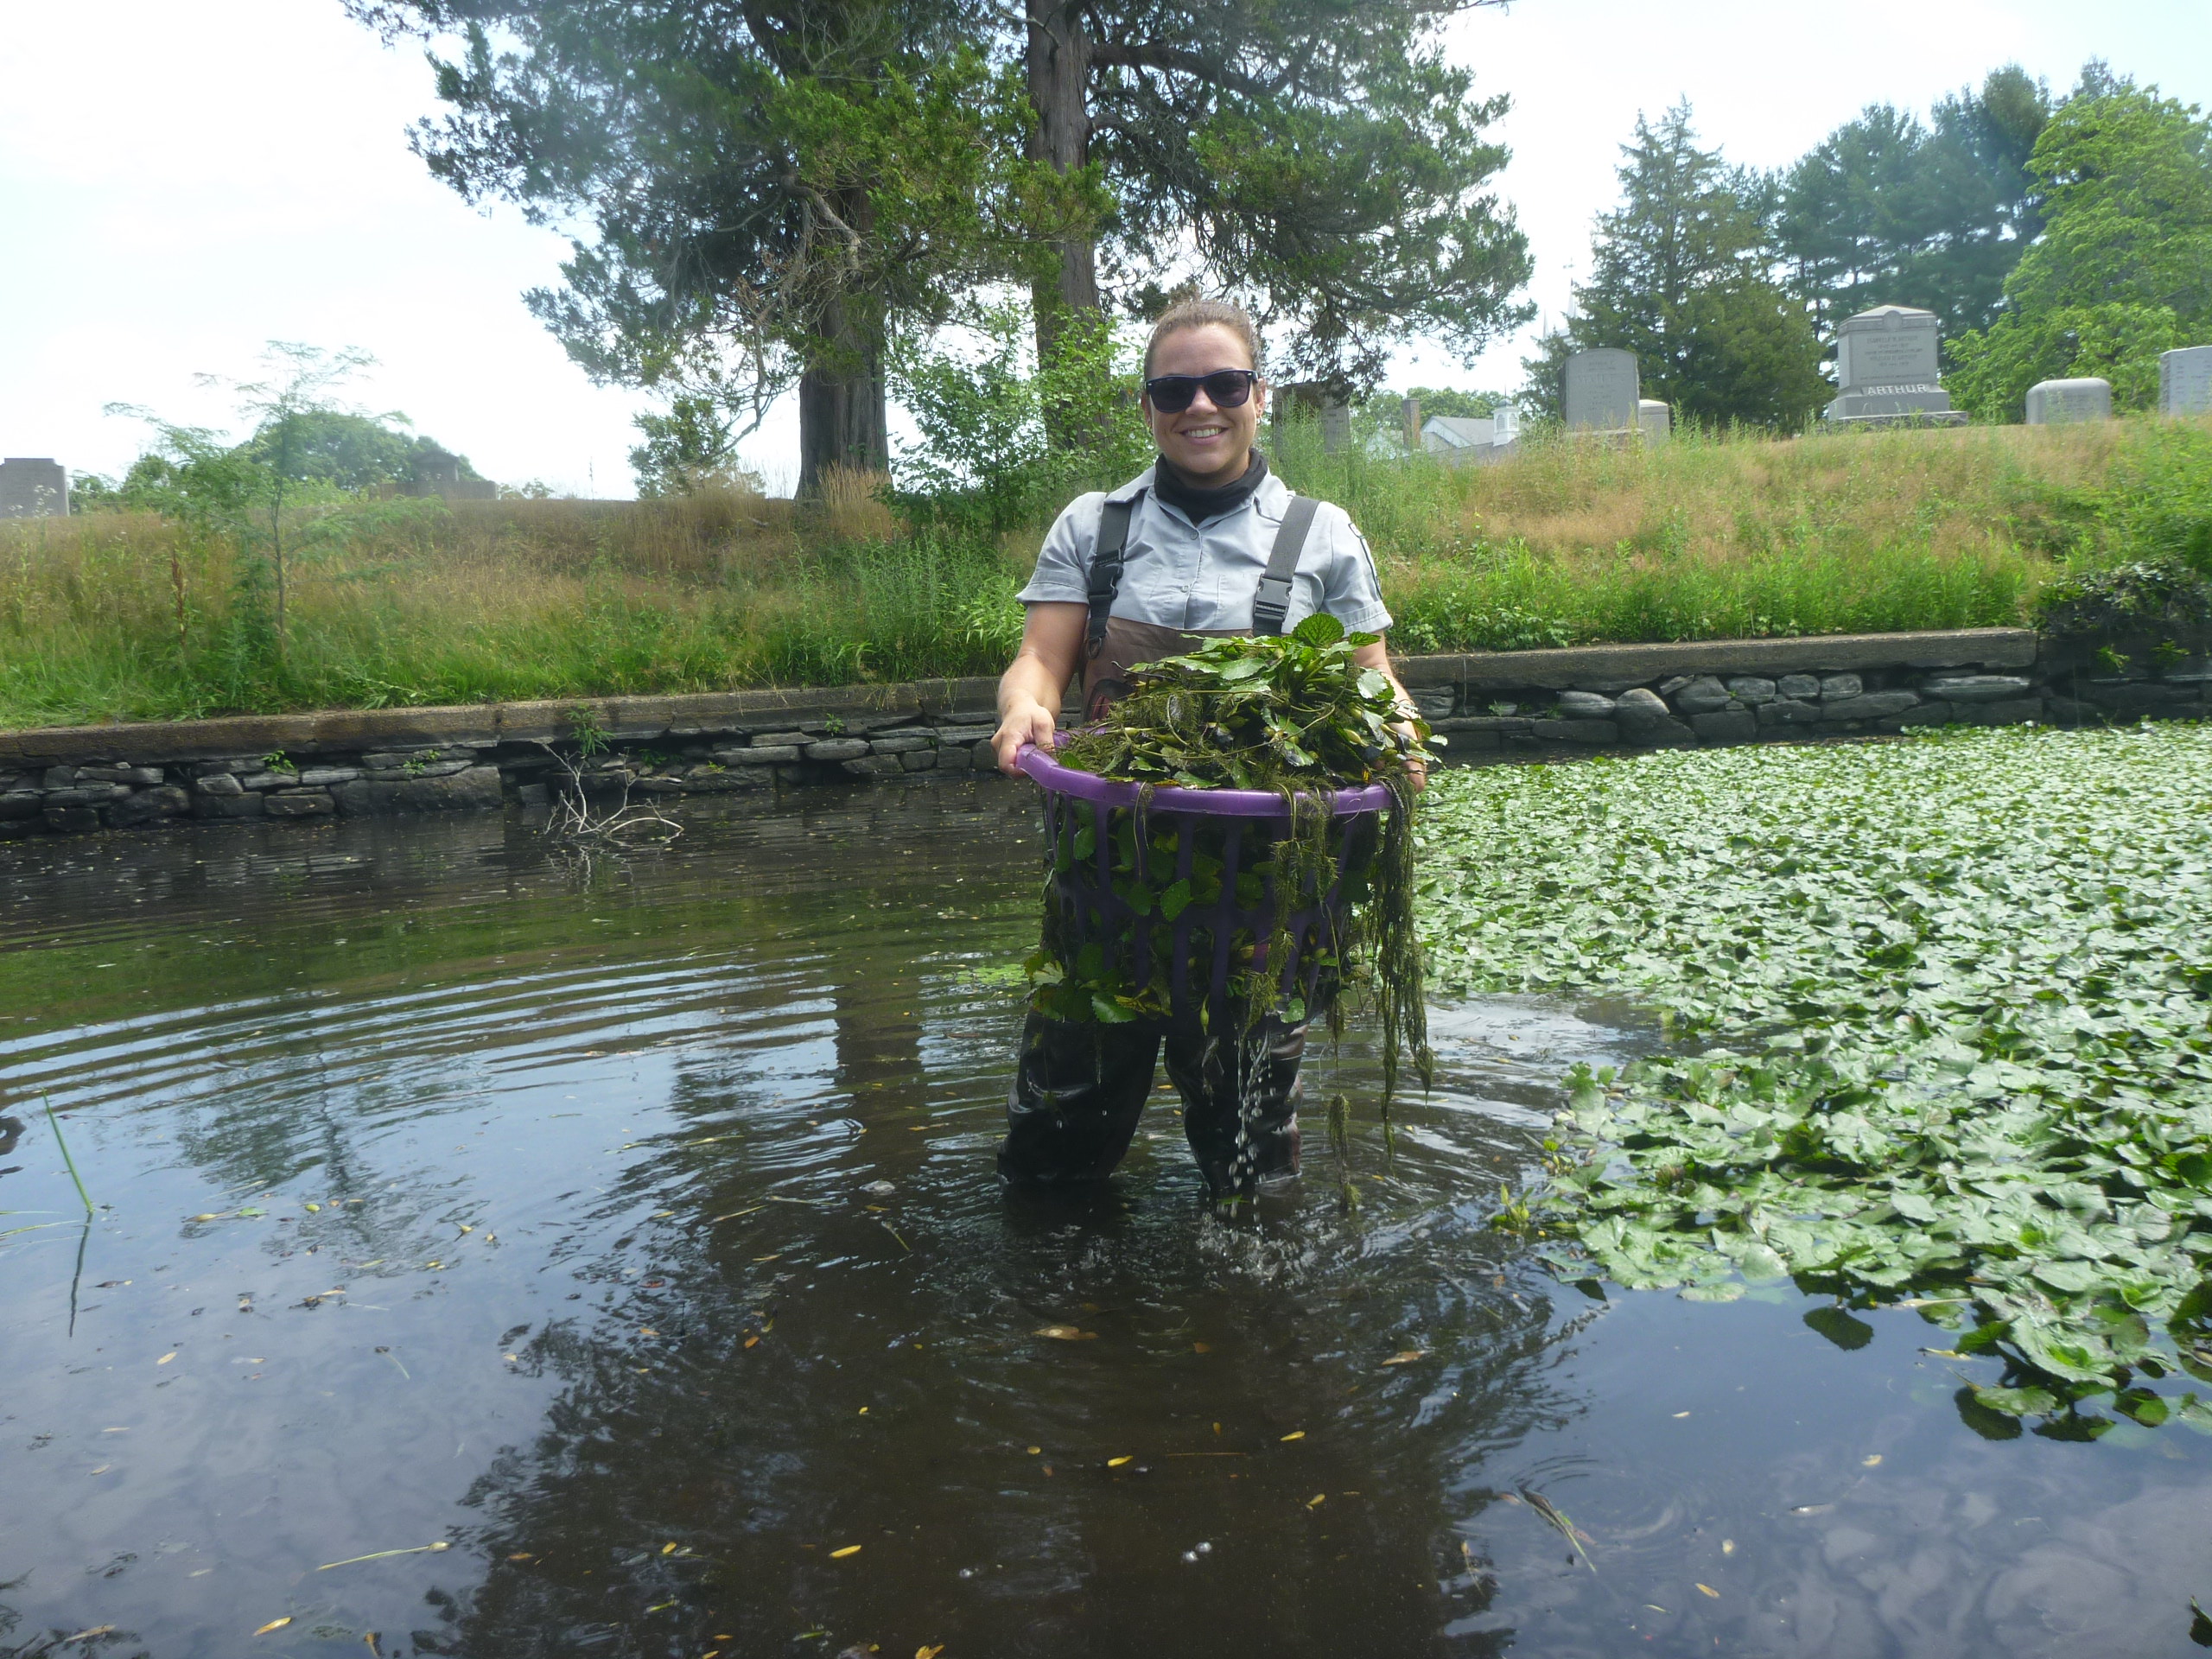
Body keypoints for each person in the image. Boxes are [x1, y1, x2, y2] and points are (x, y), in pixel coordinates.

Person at [989, 294, 1422, 1198]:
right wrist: (1025, 710)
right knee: (1057, 1136)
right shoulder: (1093, 526)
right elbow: (1040, 657)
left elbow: (1370, 673)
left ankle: (1247, 1317)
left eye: (1223, 383)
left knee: (1249, 1151)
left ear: (1259, 396)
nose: (1200, 406)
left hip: (1258, 896)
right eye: (1173, 388)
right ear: (1145, 406)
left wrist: (1400, 733)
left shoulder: (1321, 534)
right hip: (1101, 880)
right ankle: (1053, 1292)